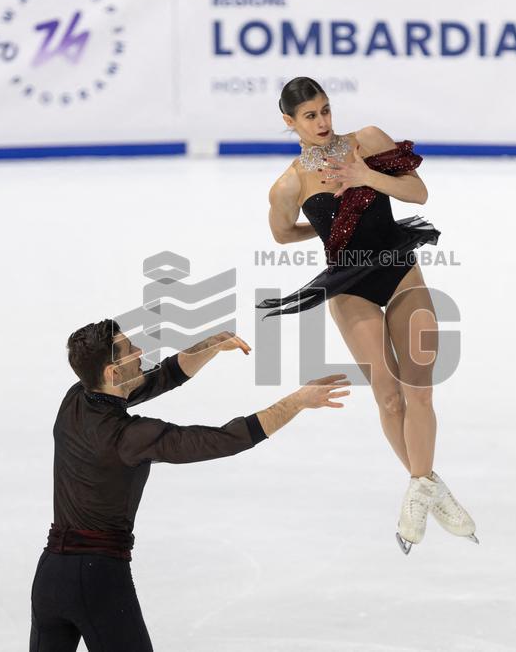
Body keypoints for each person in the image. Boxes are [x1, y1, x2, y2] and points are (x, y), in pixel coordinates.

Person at [30, 320, 350, 652]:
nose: (140, 352)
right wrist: (296, 402)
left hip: (49, 577)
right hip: (98, 580)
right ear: (112, 373)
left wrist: (207, 346)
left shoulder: (74, 400)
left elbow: (159, 378)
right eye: (130, 351)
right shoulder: (131, 438)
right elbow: (224, 440)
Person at [257, 76, 478, 554]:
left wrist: (366, 177)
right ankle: (429, 486)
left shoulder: (368, 141)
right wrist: (324, 233)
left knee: (420, 388)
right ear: (289, 122)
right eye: (309, 115)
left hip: (400, 271)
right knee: (389, 395)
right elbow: (281, 234)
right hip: (349, 286)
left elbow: (417, 194)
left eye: (325, 110)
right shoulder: (288, 185)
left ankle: (421, 488)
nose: (321, 122)